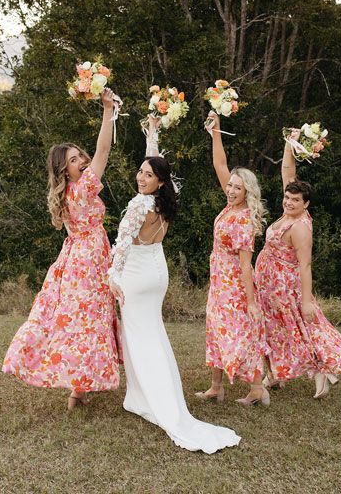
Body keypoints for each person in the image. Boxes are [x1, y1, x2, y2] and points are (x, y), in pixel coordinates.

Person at [108, 115, 241, 453]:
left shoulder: (140, 204)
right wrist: (152, 133)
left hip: (136, 277)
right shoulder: (165, 198)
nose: (141, 176)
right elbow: (157, 164)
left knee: (141, 340)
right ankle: (141, 399)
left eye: (147, 175)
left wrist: (112, 278)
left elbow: (121, 244)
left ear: (158, 182)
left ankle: (161, 404)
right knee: (152, 334)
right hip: (158, 272)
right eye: (140, 172)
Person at [2, 88, 122, 410]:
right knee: (86, 320)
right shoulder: (81, 190)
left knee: (79, 320)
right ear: (64, 170)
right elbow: (104, 149)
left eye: (80, 156)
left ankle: (78, 391)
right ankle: (78, 389)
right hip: (87, 261)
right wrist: (107, 111)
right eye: (74, 160)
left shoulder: (67, 192)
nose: (83, 161)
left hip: (76, 259)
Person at [255, 129, 341, 398]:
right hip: (267, 285)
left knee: (297, 330)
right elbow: (287, 171)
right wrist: (290, 142)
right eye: (287, 198)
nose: (288, 202)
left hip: (284, 288)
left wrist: (307, 299)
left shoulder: (301, 227)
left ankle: (322, 370)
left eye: (295, 200)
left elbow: (306, 265)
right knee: (272, 329)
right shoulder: (288, 212)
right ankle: (275, 374)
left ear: (306, 204)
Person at [195, 111, 269, 406]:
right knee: (215, 329)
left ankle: (256, 387)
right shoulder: (229, 206)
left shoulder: (244, 221)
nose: (231, 190)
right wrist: (217, 131)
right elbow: (220, 163)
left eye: (238, 188)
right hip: (218, 281)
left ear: (247, 192)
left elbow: (245, 265)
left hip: (235, 287)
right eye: (230, 186)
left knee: (242, 333)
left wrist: (251, 301)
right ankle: (216, 387)